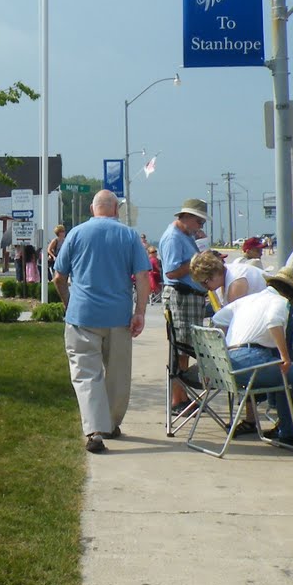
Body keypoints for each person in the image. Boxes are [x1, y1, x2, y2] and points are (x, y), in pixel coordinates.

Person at [52, 190, 152, 454]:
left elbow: (58, 277)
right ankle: (111, 423)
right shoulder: (129, 235)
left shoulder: (75, 234)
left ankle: (95, 430)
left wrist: (69, 303)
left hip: (82, 315)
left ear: (91, 209)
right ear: (116, 211)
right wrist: (139, 311)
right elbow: (143, 276)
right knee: (118, 374)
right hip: (118, 316)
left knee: (86, 375)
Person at [210, 264, 293, 449]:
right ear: (289, 295)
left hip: (229, 361)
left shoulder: (249, 300)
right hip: (250, 361)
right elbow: (273, 322)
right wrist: (285, 356)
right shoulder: (279, 302)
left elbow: (219, 319)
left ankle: (287, 433)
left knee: (283, 378)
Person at [160, 198, 211, 406]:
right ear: (187, 217)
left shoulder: (185, 235)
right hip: (181, 297)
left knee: (186, 348)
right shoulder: (173, 238)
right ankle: (177, 399)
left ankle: (182, 396)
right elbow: (171, 271)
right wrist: (197, 262)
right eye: (199, 222)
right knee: (181, 348)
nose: (201, 227)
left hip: (190, 297)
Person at [189, 247, 264, 308]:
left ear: (214, 273)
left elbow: (236, 318)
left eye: (205, 282)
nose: (204, 287)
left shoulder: (236, 282)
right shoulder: (223, 281)